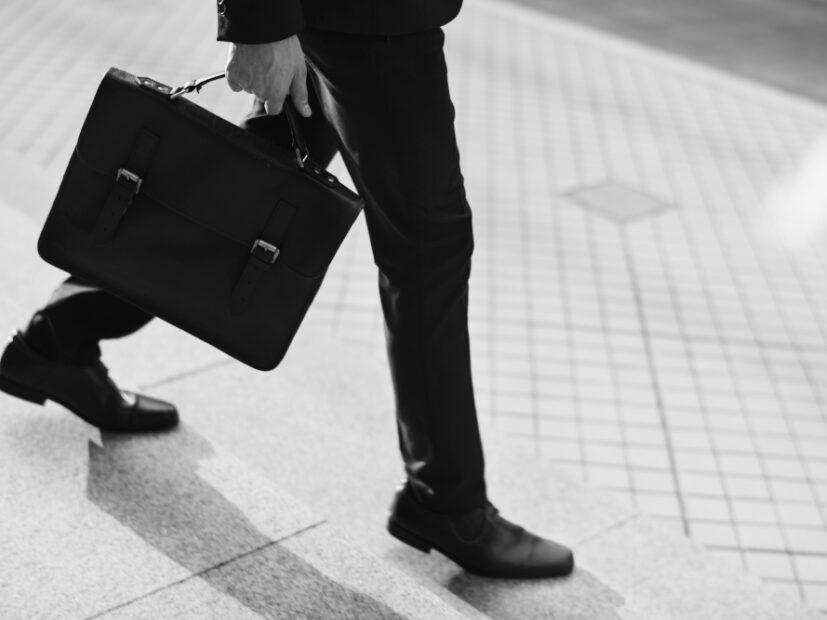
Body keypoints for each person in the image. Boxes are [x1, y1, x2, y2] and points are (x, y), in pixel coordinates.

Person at [0, 0, 574, 579]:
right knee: (429, 249)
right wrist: (258, 22)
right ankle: (449, 503)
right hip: (374, 21)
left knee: (258, 194)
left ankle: (58, 340)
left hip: (342, 16)